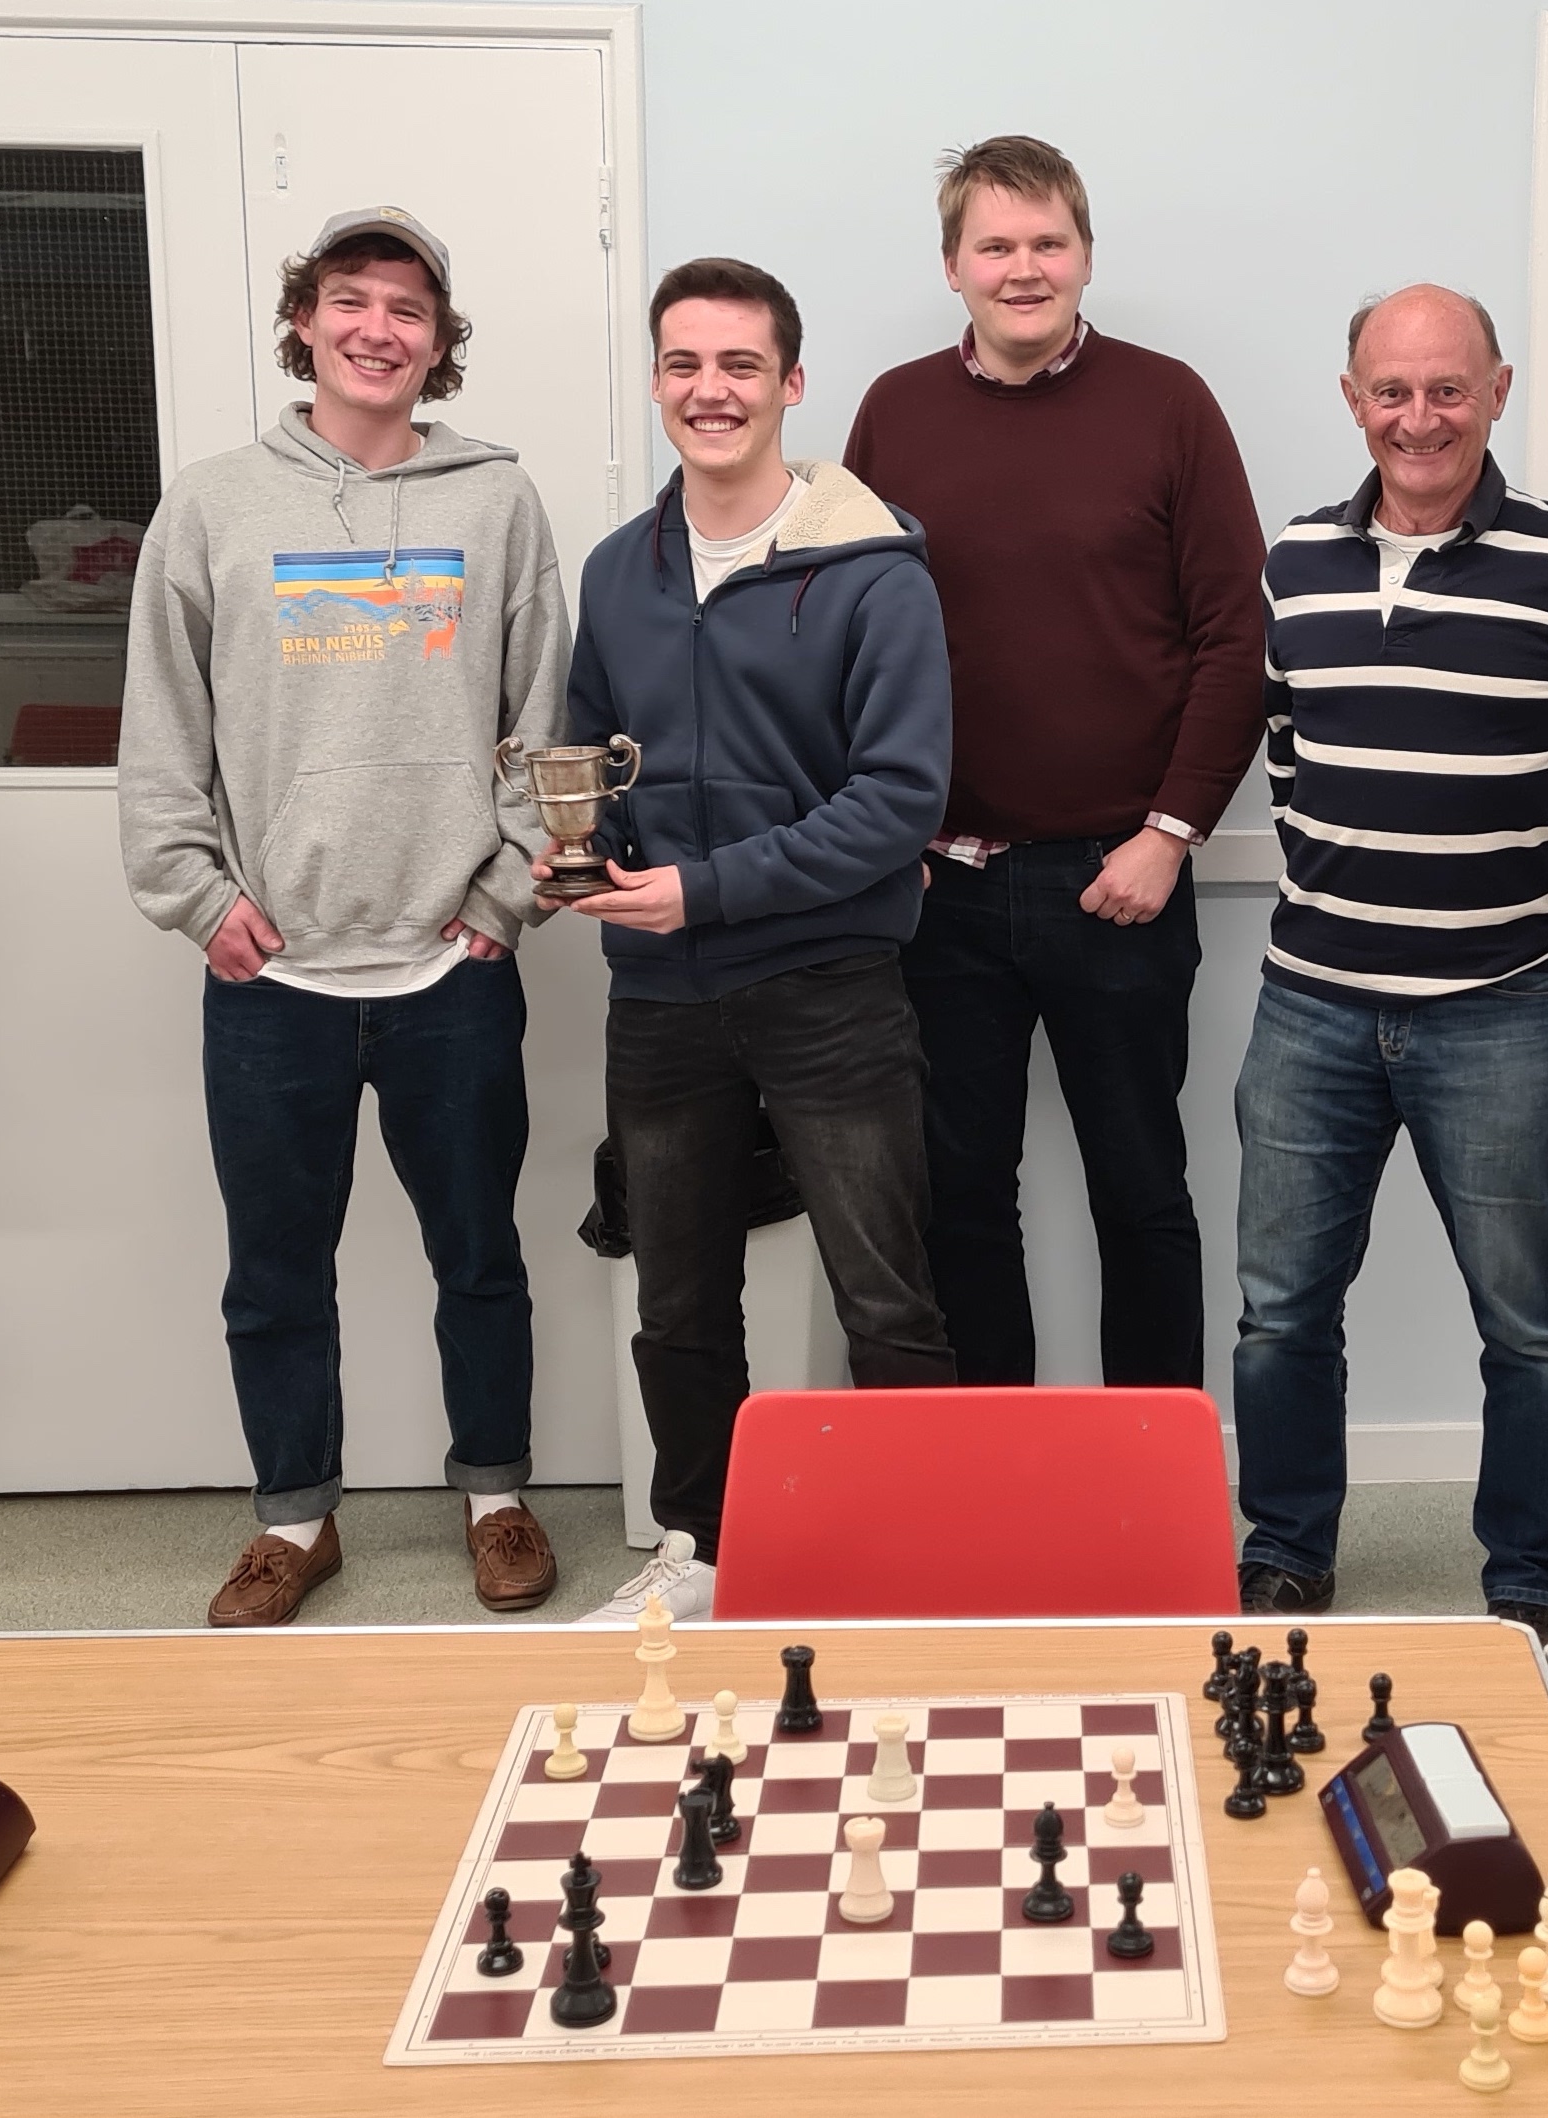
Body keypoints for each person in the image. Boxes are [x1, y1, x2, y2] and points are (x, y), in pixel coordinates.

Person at [119, 208, 568, 1625]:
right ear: (304, 319)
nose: (378, 327)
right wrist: (197, 896)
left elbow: (540, 723)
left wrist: (506, 891)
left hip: (451, 962)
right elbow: (161, 729)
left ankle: (496, 1495)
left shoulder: (497, 503)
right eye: (349, 299)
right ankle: (292, 1521)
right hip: (273, 973)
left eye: (409, 308)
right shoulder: (210, 505)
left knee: (480, 1255)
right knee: (272, 1271)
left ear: (439, 344)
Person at [1231, 285, 1548, 1642]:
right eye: (1389, 390)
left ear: (1494, 391)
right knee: (1278, 1314)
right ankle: (1285, 1546)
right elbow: (1285, 744)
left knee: (1527, 1316)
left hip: (1501, 1010)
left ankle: (1527, 1583)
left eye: (1444, 389)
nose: (1415, 418)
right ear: (1351, 395)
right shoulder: (1292, 562)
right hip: (1309, 1002)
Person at [559, 258, 957, 1625]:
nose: (708, 391)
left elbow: (897, 805)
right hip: (660, 998)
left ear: (790, 383)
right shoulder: (618, 571)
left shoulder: (873, 569)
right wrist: (578, 858)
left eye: (738, 366)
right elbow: (586, 763)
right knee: (675, 1297)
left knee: (886, 1291)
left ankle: (915, 1555)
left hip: (828, 987)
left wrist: (702, 889)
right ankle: (699, 1547)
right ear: (657, 380)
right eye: (682, 364)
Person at [843, 136, 1266, 1391]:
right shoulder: (894, 410)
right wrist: (884, 835)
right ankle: (1004, 1491)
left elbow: (1234, 636)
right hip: (940, 887)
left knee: (1141, 1192)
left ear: (1083, 256)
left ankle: (1153, 1492)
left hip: (1117, 880)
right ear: (952, 266)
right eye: (996, 246)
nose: (1023, 268)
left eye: (1047, 243)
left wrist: (1171, 832)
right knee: (960, 1199)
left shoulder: (1168, 403)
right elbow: (842, 636)